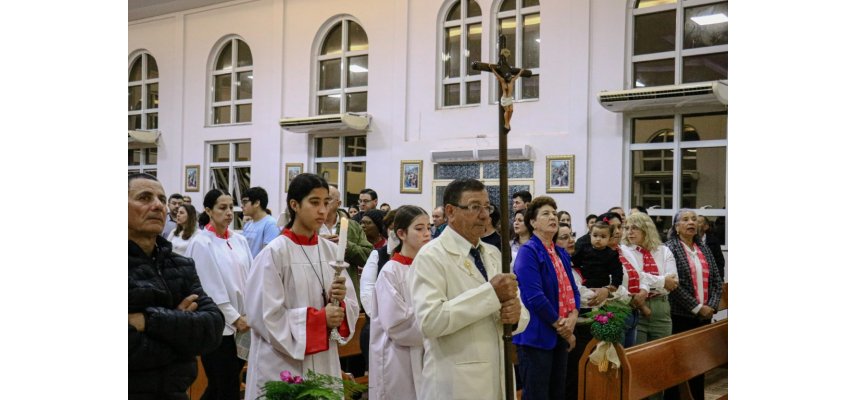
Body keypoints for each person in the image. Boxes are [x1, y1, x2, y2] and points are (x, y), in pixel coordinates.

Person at [410, 178, 529, 399]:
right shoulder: (431, 256)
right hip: (456, 383)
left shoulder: (492, 254)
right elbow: (430, 321)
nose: (485, 215)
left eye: (487, 207)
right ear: (450, 211)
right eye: (475, 207)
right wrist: (491, 294)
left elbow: (518, 308)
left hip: (497, 374)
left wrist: (515, 317)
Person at [243, 173, 359, 400]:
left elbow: (351, 307)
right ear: (294, 205)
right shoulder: (274, 253)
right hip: (283, 363)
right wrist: (319, 319)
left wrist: (341, 302)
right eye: (314, 203)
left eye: (326, 203)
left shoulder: (330, 252)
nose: (323, 211)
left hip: (323, 361)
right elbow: (265, 316)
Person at [128, 173, 224, 400]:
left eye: (162, 199)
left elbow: (212, 327)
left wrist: (149, 320)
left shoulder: (180, 265)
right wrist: (181, 337)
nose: (158, 206)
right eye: (144, 198)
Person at [186, 188, 253, 400]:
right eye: (222, 208)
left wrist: (250, 312)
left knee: (225, 385)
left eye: (230, 207)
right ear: (208, 210)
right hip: (219, 324)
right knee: (224, 384)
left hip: (244, 321)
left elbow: (250, 276)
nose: (228, 213)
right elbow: (209, 287)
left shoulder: (239, 239)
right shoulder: (201, 242)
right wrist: (234, 318)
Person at [513, 196, 580, 400]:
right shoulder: (528, 252)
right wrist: (564, 328)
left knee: (557, 393)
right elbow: (535, 297)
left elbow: (573, 289)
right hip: (537, 336)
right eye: (546, 214)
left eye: (554, 213)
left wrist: (574, 316)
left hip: (560, 333)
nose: (553, 217)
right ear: (532, 223)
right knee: (537, 395)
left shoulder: (560, 252)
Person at [369, 206, 432, 399]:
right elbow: (398, 324)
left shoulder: (430, 267)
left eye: (429, 227)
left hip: (428, 353)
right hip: (398, 357)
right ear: (401, 233)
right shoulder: (391, 271)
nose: (427, 234)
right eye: (419, 228)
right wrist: (438, 324)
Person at [663, 209, 724, 400]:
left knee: (700, 365)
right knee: (678, 366)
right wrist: (697, 307)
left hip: (704, 316)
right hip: (681, 315)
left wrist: (711, 306)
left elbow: (716, 279)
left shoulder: (703, 248)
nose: (691, 223)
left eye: (694, 219)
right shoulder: (670, 248)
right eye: (686, 220)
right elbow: (675, 285)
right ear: (676, 227)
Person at [566, 219, 623, 397]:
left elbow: (617, 273)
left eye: (603, 237)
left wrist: (611, 287)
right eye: (595, 236)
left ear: (610, 238)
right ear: (589, 235)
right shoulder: (584, 249)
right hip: (587, 287)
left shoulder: (611, 254)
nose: (598, 240)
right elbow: (573, 263)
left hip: (602, 288)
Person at [620, 212, 679, 362]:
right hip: (637, 306)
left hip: (661, 307)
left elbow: (672, 282)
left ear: (646, 229)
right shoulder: (625, 251)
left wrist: (649, 284)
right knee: (638, 359)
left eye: (635, 228)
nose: (629, 232)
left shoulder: (663, 250)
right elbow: (636, 278)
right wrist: (661, 281)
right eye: (627, 228)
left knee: (662, 358)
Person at [320, 185, 373, 305]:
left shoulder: (353, 227)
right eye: (320, 200)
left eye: (328, 199)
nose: (323, 204)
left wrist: (346, 246)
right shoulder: (312, 225)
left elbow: (368, 256)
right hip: (319, 288)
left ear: (339, 203)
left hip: (346, 290)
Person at [490, 61, 524, 130]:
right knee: (507, 110)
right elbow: (496, 75)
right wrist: (492, 69)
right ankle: (506, 124)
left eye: (510, 78)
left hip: (509, 98)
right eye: (508, 78)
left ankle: (508, 123)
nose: (509, 79)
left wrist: (521, 71)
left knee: (511, 110)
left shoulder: (512, 80)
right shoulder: (502, 80)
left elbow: (517, 76)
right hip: (505, 99)